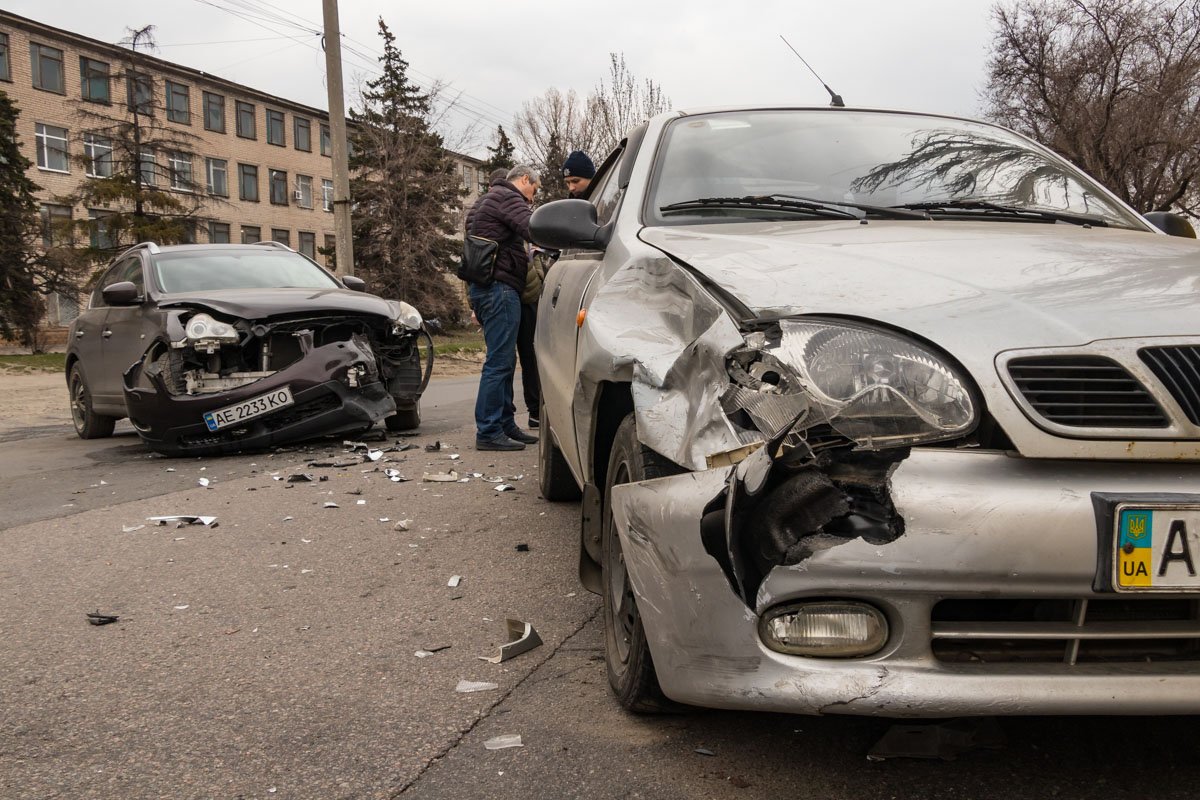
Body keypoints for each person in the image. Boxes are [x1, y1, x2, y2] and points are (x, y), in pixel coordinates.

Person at [464, 165, 541, 451]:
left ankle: (505, 424)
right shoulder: (509, 198)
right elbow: (533, 229)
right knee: (498, 363)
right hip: (500, 289)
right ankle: (488, 430)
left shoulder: (483, 201)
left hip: (482, 287)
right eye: (533, 189)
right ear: (524, 180)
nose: (531, 199)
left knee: (504, 362)